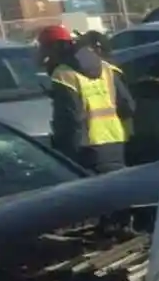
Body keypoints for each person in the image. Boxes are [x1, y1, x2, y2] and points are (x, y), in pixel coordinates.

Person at [37, 23, 134, 173]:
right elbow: (127, 106)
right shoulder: (106, 68)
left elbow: (68, 119)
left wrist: (65, 152)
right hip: (115, 143)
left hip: (85, 149)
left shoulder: (64, 74)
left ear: (52, 48)